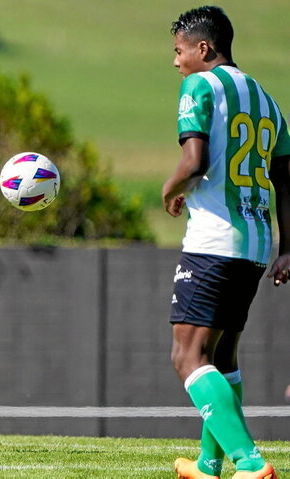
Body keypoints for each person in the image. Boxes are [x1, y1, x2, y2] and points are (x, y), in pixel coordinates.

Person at [162, 6, 290, 479]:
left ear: (203, 48)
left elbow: (194, 161)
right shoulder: (267, 99)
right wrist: (289, 247)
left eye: (178, 51)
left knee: (186, 355)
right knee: (222, 357)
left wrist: (169, 189)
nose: (175, 62)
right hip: (257, 243)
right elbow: (287, 179)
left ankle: (250, 463)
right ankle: (208, 463)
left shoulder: (199, 86)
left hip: (215, 240)